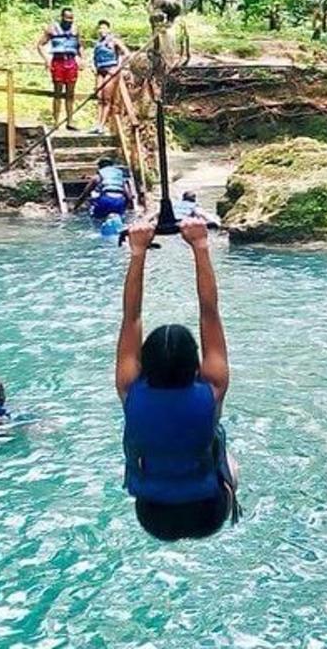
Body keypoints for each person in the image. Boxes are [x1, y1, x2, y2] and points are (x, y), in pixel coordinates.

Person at [117, 218, 241, 541]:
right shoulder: (213, 387)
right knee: (227, 456)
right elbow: (209, 312)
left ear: (146, 363)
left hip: (152, 516)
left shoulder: (130, 387)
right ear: (195, 365)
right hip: (209, 513)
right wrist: (200, 247)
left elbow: (131, 318)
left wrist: (138, 252)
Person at [36, 7, 82, 130]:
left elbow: (79, 46)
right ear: (62, 17)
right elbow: (40, 45)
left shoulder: (76, 29)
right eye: (67, 18)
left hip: (71, 62)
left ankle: (70, 121)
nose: (69, 20)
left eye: (71, 18)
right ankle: (56, 121)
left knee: (70, 93)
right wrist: (46, 59)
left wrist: (82, 59)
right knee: (58, 92)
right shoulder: (52, 28)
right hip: (58, 62)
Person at [91, 19, 129, 134]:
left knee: (107, 98)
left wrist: (118, 67)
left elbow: (127, 53)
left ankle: (102, 125)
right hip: (100, 70)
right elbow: (94, 57)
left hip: (110, 70)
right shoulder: (98, 43)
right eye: (100, 28)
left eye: (104, 28)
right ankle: (97, 124)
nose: (101, 30)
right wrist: (93, 66)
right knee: (99, 97)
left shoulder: (114, 41)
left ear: (108, 29)